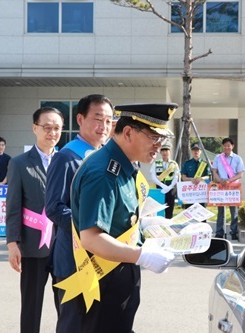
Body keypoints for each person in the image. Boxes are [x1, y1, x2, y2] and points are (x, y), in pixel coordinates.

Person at [70, 103, 177, 332]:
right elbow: (91, 238)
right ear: (128, 132)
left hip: (118, 277)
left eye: (162, 139)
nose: (158, 146)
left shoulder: (125, 166)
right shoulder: (103, 173)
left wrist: (146, 226)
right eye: (153, 137)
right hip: (102, 282)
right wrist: (142, 255)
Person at [45, 94, 114, 333]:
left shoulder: (107, 158)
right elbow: (54, 206)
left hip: (102, 258)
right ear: (80, 119)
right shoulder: (67, 157)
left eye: (108, 121)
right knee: (73, 323)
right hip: (72, 261)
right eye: (97, 119)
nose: (103, 127)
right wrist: (89, 226)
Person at [5, 106, 63, 333]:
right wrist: (13, 244)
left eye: (57, 128)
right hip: (32, 247)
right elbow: (13, 206)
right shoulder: (20, 163)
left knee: (67, 306)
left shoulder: (67, 160)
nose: (52, 132)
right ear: (35, 128)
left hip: (63, 247)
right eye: (47, 127)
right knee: (31, 305)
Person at [212, 137, 244, 240]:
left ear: (232, 146)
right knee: (220, 210)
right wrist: (220, 180)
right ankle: (219, 232)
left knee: (233, 211)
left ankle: (233, 232)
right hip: (221, 185)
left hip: (233, 186)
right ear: (222, 146)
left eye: (229, 145)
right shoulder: (218, 157)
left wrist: (229, 181)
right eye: (225, 145)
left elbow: (240, 174)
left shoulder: (237, 158)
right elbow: (214, 171)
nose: (227, 147)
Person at [150, 143, 180, 218]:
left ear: (170, 152)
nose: (164, 152)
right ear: (160, 152)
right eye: (163, 150)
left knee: (169, 211)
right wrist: (162, 186)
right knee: (158, 210)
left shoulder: (173, 164)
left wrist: (169, 187)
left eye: (166, 150)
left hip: (170, 190)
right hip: (159, 189)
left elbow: (176, 177)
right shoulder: (156, 163)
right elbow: (153, 176)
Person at [181, 142, 210, 210]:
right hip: (190, 193)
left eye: (197, 150)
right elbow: (183, 177)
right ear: (191, 151)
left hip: (201, 193)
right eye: (194, 150)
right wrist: (191, 179)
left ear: (201, 151)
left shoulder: (205, 163)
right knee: (189, 213)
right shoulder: (187, 163)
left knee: (202, 213)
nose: (196, 152)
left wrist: (201, 178)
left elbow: (208, 176)